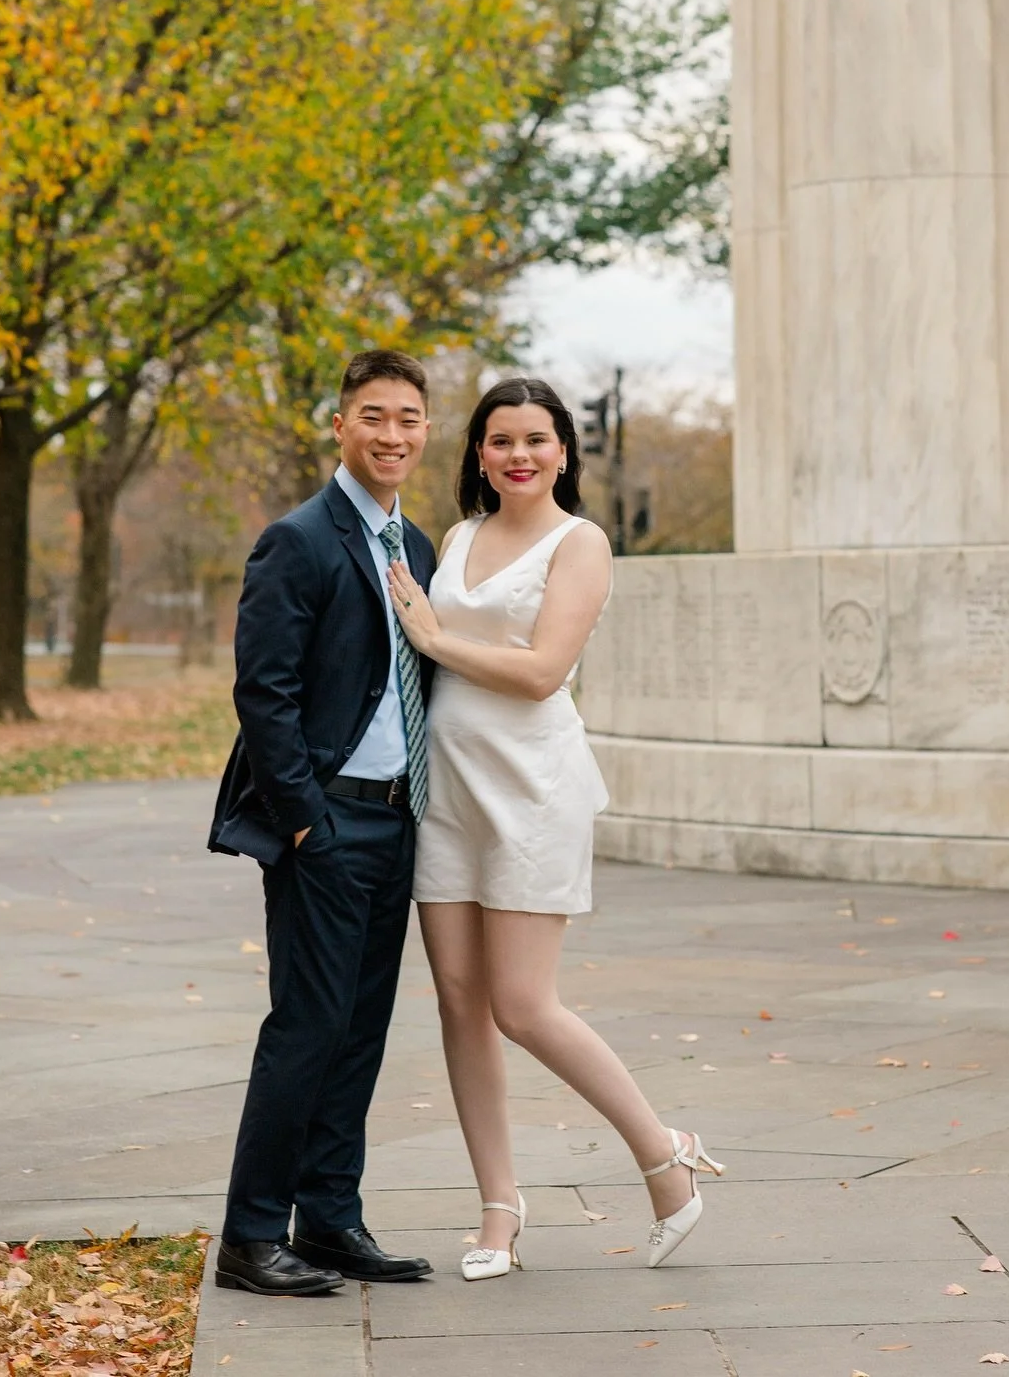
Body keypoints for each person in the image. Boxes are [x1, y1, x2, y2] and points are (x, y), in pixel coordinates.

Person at [387, 375, 723, 1280]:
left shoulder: (582, 542)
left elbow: (542, 672)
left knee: (523, 1004)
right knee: (460, 1000)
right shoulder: (459, 536)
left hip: (533, 788)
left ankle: (664, 1155)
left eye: (536, 439)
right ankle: (498, 1209)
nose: (518, 455)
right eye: (500, 439)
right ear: (479, 452)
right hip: (447, 789)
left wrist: (433, 635)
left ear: (563, 451)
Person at [206, 349, 438, 1296]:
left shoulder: (416, 547)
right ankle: (252, 1232)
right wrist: (306, 824)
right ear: (340, 425)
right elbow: (263, 693)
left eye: (409, 418)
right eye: (374, 416)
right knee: (307, 1026)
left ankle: (331, 1218)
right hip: (328, 824)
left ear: (426, 431)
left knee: (360, 1030)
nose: (392, 434)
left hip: (398, 820)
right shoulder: (296, 540)